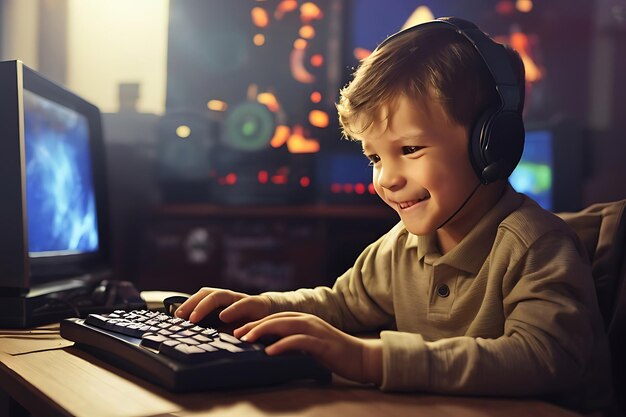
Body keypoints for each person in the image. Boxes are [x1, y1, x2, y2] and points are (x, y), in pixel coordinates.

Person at [176, 17, 612, 413]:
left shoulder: (535, 246)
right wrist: (262, 308)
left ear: (491, 144)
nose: (385, 179)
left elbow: (545, 357)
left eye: (409, 150)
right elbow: (342, 305)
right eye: (374, 158)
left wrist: (369, 358)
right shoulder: (401, 246)